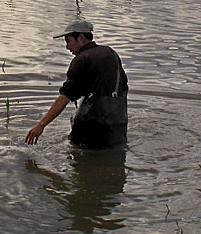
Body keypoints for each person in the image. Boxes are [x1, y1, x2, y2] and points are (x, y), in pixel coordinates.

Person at [25, 19, 128, 148]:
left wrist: (41, 125)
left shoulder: (81, 59)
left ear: (81, 37)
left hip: (91, 126)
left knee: (80, 160)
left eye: (68, 41)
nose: (67, 47)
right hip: (117, 124)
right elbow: (124, 89)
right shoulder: (111, 53)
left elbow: (65, 97)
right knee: (114, 158)